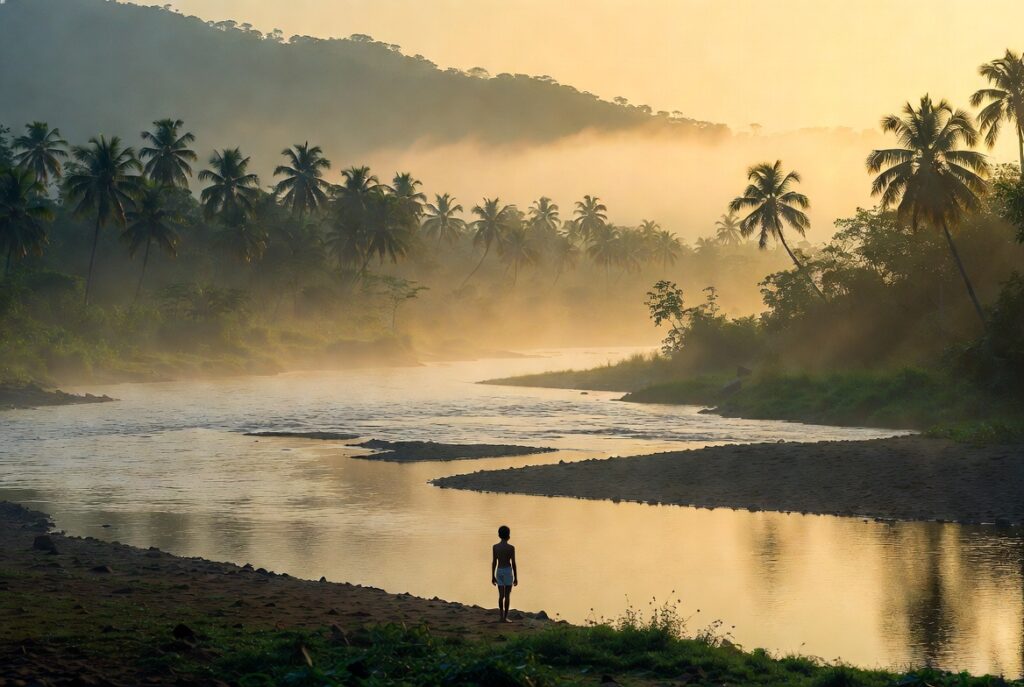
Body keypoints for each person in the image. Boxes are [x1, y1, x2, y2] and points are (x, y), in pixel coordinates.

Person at [491, 525, 518, 622]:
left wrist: (492, 576)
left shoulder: (495, 547)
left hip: (499, 571)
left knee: (501, 595)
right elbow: (513, 563)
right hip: (507, 571)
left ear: (499, 535)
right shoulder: (511, 548)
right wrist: (515, 577)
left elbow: (494, 562)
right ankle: (505, 617)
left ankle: (501, 616)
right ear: (508, 536)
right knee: (507, 596)